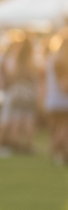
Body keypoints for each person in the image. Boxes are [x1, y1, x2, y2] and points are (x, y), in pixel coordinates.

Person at [46, 29, 68, 166]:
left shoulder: (52, 59)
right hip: (62, 102)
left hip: (54, 101)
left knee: (59, 129)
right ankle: (60, 154)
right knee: (63, 129)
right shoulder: (60, 62)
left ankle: (58, 154)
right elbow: (63, 85)